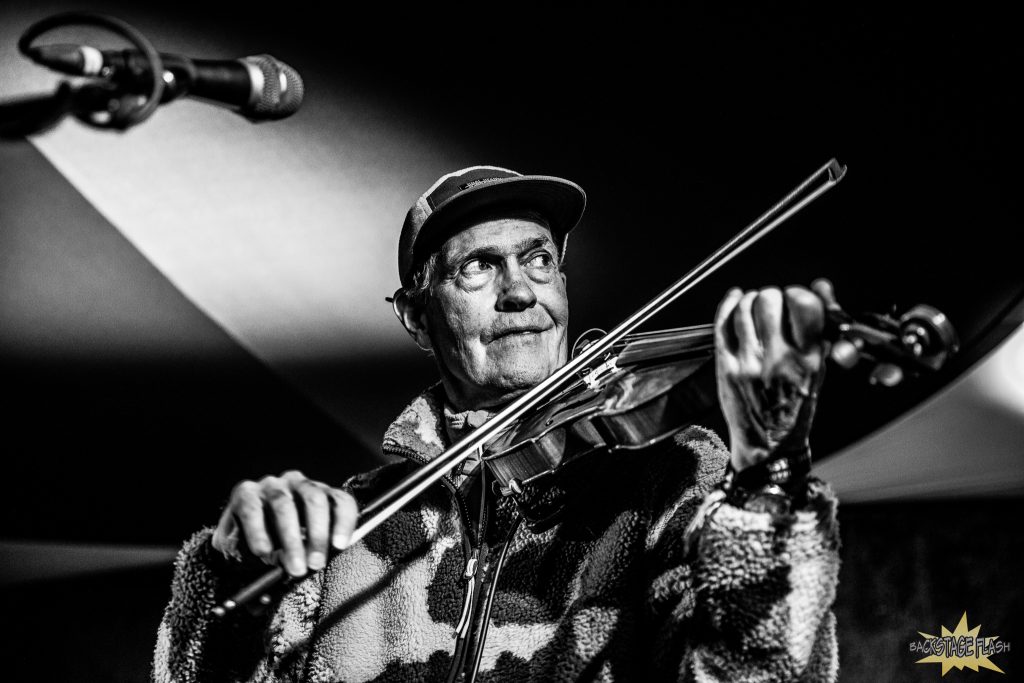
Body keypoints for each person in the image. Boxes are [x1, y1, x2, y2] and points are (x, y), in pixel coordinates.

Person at [152, 166, 840, 682]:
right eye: (479, 267)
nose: (520, 292)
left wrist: (771, 486)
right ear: (416, 316)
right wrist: (231, 567)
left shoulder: (670, 478)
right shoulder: (350, 528)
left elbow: (763, 669)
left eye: (539, 259)